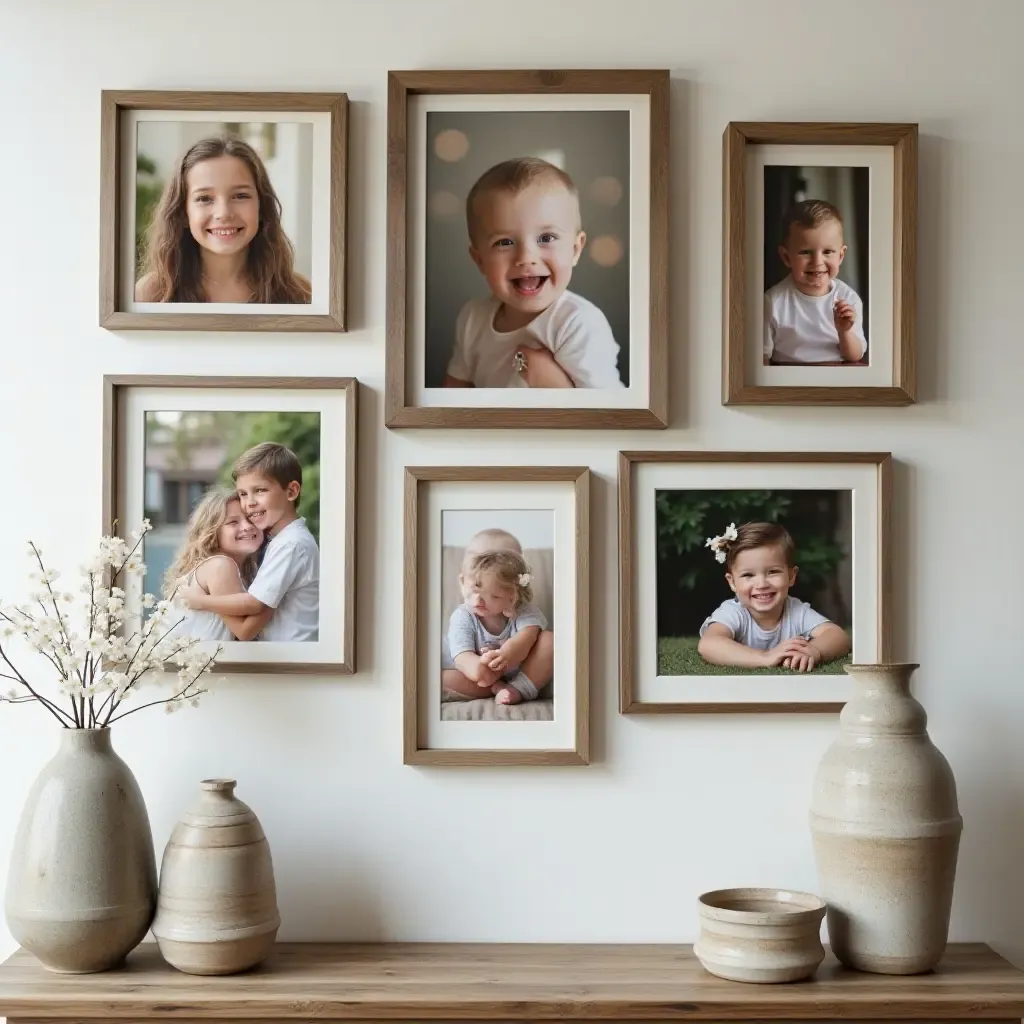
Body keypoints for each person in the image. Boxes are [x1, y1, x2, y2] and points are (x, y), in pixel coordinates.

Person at [443, 156, 625, 390]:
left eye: (546, 238)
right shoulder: (472, 318)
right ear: (480, 260)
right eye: (504, 242)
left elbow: (605, 417)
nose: (526, 257)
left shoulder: (577, 324)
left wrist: (553, 384)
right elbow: (455, 391)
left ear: (575, 249)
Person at [135, 135, 312, 305]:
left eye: (240, 196)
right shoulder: (151, 293)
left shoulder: (300, 294)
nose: (224, 213)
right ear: (183, 213)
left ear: (262, 207)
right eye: (204, 198)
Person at [186, 442, 319, 642]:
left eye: (260, 490)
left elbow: (253, 608)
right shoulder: (281, 542)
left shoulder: (290, 545)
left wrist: (200, 601)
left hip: (292, 660)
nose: (249, 502)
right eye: (243, 494)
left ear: (291, 491)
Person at [696, 521, 851, 672]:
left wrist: (814, 651)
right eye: (748, 575)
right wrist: (765, 657)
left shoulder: (797, 611)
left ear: (791, 576)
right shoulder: (733, 612)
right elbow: (709, 644)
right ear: (732, 582)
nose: (762, 584)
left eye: (773, 572)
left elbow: (838, 636)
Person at [441, 528, 554, 705]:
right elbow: (462, 656)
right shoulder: (463, 616)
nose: (485, 571)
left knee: (549, 640)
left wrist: (505, 655)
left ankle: (519, 689)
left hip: (517, 672)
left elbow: (527, 637)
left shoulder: (524, 611)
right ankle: (497, 689)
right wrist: (479, 668)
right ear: (464, 581)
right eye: (479, 562)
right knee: (442, 678)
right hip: (473, 675)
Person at [763, 199, 867, 365]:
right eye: (805, 252)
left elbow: (854, 356)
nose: (817, 262)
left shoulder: (848, 298)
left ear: (841, 256)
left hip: (835, 377)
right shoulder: (772, 301)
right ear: (786, 256)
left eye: (827, 251)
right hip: (790, 379)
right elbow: (763, 359)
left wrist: (844, 331)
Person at [163, 488, 273, 642]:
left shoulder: (246, 570)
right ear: (212, 531)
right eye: (233, 522)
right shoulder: (220, 565)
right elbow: (245, 632)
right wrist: (279, 590)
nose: (247, 526)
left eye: (250, 518)